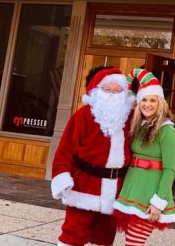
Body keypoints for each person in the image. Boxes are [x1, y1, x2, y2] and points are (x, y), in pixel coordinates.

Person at [51, 66, 135, 246]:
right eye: (108, 90)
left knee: (103, 238)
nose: (113, 94)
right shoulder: (82, 116)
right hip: (84, 186)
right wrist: (61, 176)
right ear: (97, 91)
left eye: (118, 90)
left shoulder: (130, 118)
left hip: (115, 190)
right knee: (73, 234)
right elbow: (64, 151)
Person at [113, 68, 175, 246]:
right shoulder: (139, 125)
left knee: (134, 242)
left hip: (150, 193)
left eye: (153, 100)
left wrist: (159, 201)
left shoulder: (167, 130)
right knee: (131, 241)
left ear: (161, 103)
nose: (147, 104)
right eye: (143, 99)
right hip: (132, 188)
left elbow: (169, 170)